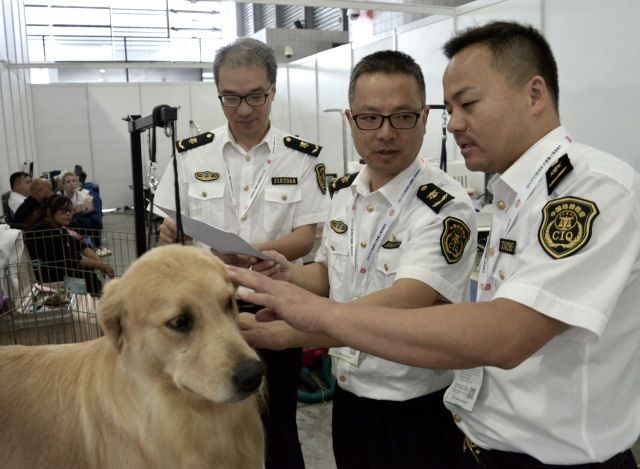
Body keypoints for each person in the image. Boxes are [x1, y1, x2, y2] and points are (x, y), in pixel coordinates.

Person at [227, 20, 640, 469]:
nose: (455, 123)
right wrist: (290, 280)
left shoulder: (589, 191)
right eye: (452, 107)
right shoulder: (512, 196)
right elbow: (334, 274)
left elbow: (505, 334)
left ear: (534, 94)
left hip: (548, 457)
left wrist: (305, 325)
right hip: (477, 439)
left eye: (468, 104)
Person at [241, 50, 477, 469]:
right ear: (350, 121)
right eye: (370, 118)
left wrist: (291, 333)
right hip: (351, 398)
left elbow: (410, 300)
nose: (385, 133)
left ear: (425, 118)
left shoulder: (444, 207)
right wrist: (288, 273)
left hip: (416, 408)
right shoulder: (344, 192)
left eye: (401, 117)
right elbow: (329, 276)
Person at [154, 38, 327, 469]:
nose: (244, 109)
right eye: (231, 98)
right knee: (206, 418)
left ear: (273, 88)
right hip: (206, 306)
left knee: (277, 421)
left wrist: (255, 253)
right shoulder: (190, 155)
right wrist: (170, 231)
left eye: (255, 96)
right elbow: (170, 224)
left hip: (276, 301)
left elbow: (307, 234)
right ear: (218, 93)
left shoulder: (301, 158)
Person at [25, 194, 114, 296]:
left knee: (87, 271)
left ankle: (95, 298)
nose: (68, 214)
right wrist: (102, 265)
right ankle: (94, 298)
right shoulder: (46, 231)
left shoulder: (59, 228)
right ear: (50, 212)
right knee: (84, 273)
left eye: (70, 211)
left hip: (58, 271)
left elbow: (80, 246)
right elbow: (73, 259)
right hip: (46, 277)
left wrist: (100, 262)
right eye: (63, 212)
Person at [59, 171, 110, 256]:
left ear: (77, 183)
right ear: (63, 185)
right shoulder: (60, 196)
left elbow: (90, 207)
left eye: (73, 181)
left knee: (94, 219)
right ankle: (91, 247)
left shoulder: (81, 194)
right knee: (86, 222)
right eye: (68, 182)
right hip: (68, 218)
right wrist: (76, 210)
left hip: (80, 215)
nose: (71, 184)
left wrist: (80, 209)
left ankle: (99, 246)